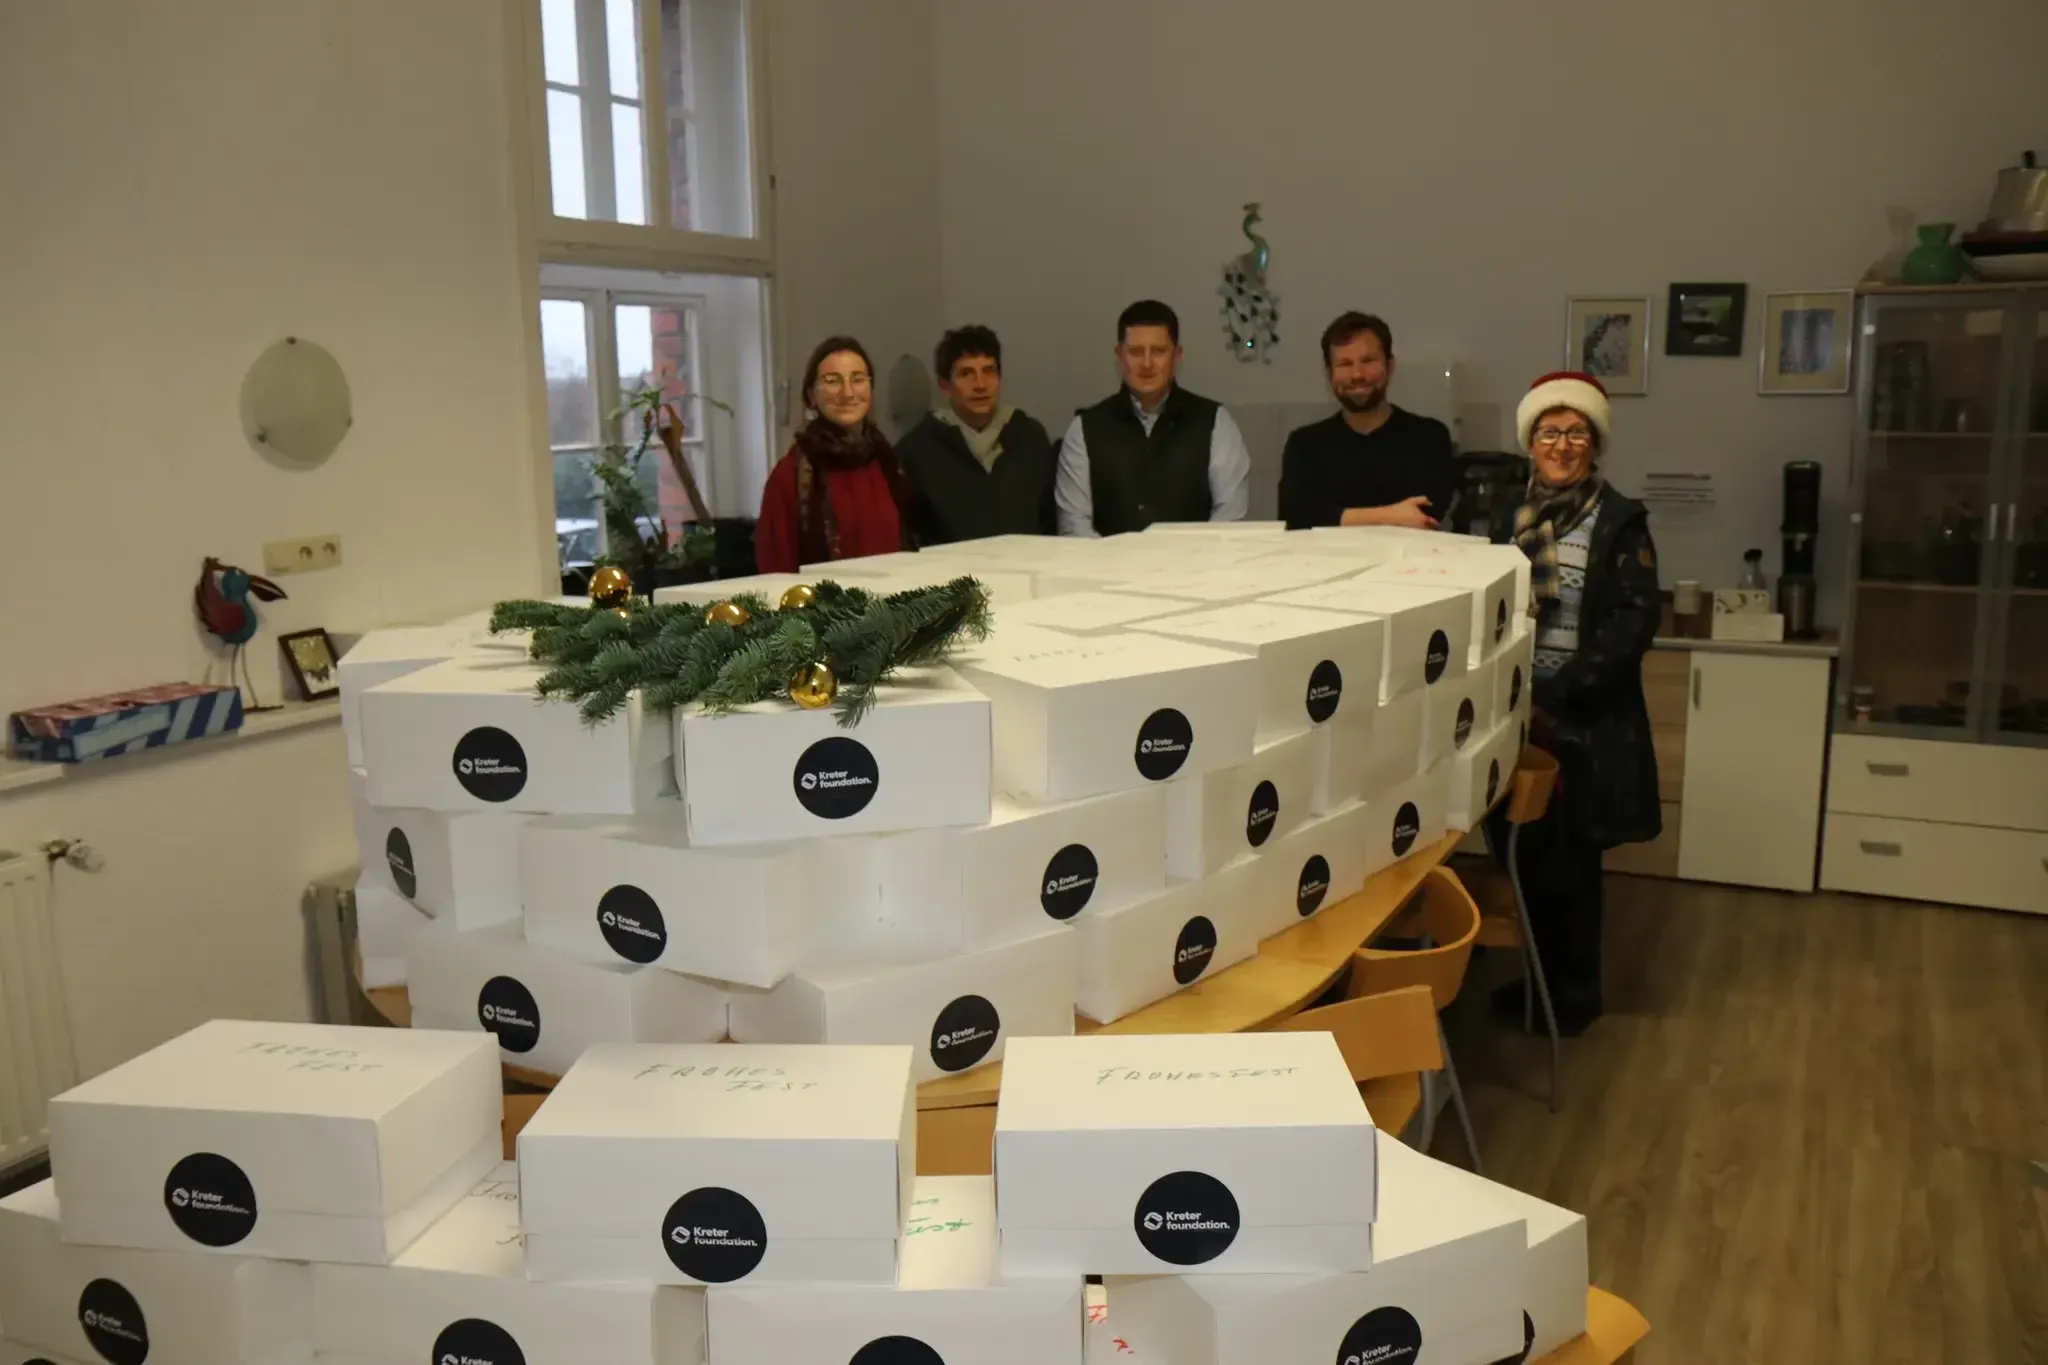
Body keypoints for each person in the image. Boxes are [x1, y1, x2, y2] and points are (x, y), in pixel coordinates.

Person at [1489, 371, 1661, 1036]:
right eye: (1549, 432)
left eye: (1576, 433)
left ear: (1596, 443)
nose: (1561, 445)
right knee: (1525, 860)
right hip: (1515, 715)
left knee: (1573, 868)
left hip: (1582, 722)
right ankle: (1538, 985)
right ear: (1530, 442)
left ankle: (1575, 998)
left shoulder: (1619, 520)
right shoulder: (1511, 518)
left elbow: (1632, 624)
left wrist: (1557, 693)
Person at [1055, 300, 1250, 535]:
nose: (1146, 364)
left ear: (1177, 356)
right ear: (1119, 356)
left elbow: (1229, 519)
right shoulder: (1084, 430)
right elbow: (1075, 527)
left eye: (1158, 351)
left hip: (1194, 558)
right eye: (1135, 352)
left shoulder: (1216, 423)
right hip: (1106, 560)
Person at [1278, 312, 1456, 530]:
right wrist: (1391, 516)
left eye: (1368, 361)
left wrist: (1337, 517)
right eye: (1345, 364)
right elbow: (1295, 516)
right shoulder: (1305, 445)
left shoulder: (1429, 437)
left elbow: (1426, 514)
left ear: (1390, 366)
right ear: (1329, 374)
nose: (1357, 375)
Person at [754, 336, 915, 573]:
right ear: (811, 395)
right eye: (832, 381)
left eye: (858, 379)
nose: (847, 392)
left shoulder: (887, 463)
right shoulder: (789, 477)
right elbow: (775, 572)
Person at [893, 325, 1058, 545]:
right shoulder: (915, 451)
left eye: (989, 371)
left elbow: (1050, 521)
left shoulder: (1030, 437)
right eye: (966, 374)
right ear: (945, 385)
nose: (980, 385)